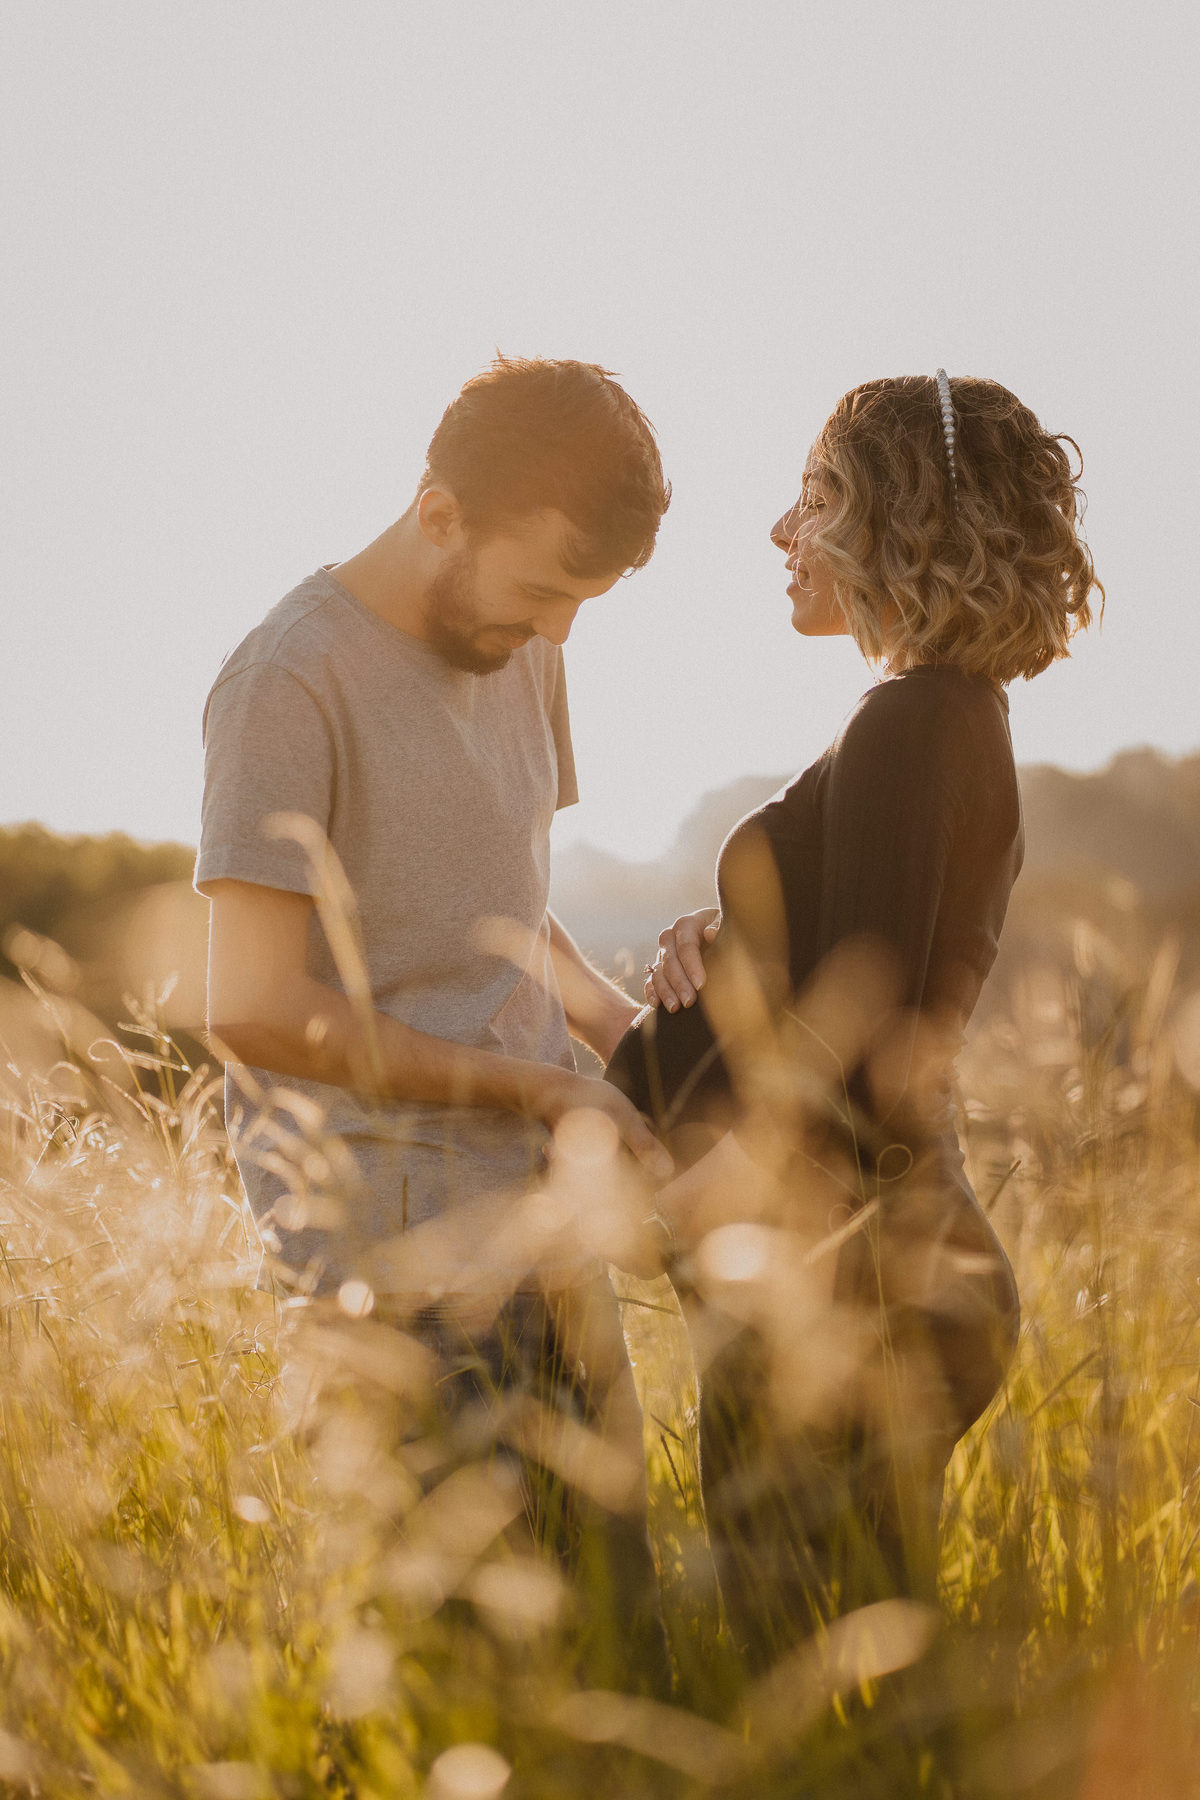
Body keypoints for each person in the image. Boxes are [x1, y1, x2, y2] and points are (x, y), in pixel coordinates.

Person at [606, 372, 1102, 1669]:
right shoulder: (942, 720)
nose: (782, 529)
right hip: (877, 1275)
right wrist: (728, 954)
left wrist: (678, 1203)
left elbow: (859, 1049)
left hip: (857, 1293)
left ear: (905, 515)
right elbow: (851, 971)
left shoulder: (910, 719)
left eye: (819, 494)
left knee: (814, 1700)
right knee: (852, 1693)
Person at [195, 355, 673, 1691]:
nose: (557, 633)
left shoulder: (524, 645)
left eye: (583, 603)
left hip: (543, 1216)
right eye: (541, 591)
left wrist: (642, 1045)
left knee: (618, 1639)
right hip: (389, 1245)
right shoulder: (285, 683)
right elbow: (256, 1007)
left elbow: (511, 911)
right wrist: (543, 1095)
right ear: (440, 511)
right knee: (458, 1669)